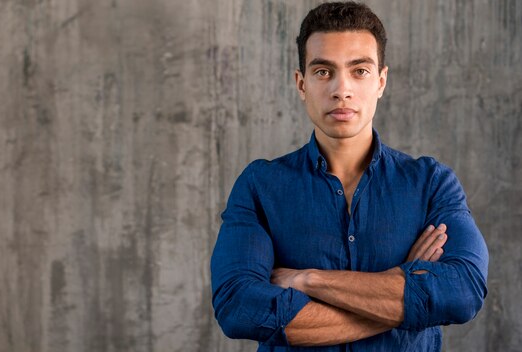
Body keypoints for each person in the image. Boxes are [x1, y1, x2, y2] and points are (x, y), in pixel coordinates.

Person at [210, 2, 489, 351]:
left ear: (381, 82)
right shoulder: (259, 186)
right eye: (324, 72)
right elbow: (239, 308)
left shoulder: (431, 183)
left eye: (359, 71)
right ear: (301, 84)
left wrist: (308, 280)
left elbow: (463, 292)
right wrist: (400, 288)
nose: (342, 89)